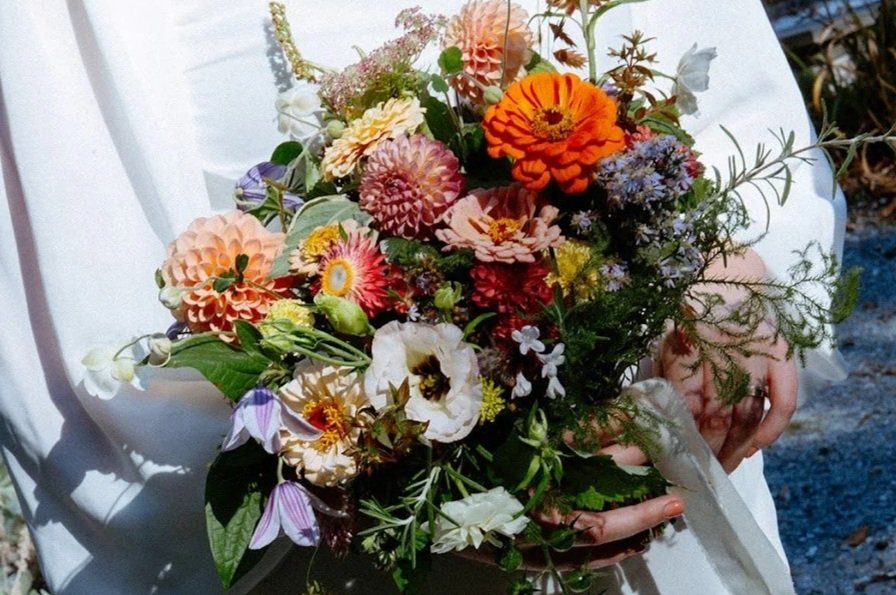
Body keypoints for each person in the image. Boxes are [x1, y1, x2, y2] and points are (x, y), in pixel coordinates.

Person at [0, 0, 845, 593]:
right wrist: (420, 482)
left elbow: (731, 99)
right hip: (335, 553)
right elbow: (73, 276)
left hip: (664, 514)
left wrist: (734, 270)